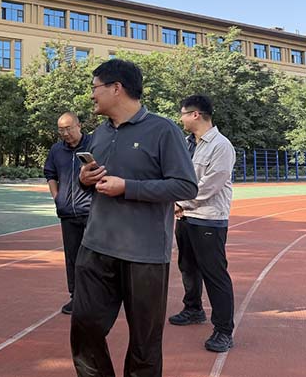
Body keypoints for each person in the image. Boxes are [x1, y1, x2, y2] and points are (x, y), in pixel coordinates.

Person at [73, 59, 198, 377]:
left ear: (116, 88)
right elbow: (91, 181)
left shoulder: (163, 130)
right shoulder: (99, 134)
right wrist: (84, 179)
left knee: (144, 344)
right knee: (85, 330)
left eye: (94, 87)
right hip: (96, 246)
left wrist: (128, 187)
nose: (91, 95)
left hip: (145, 255)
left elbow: (185, 185)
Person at [170, 95, 237, 353]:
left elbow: (210, 185)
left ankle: (223, 330)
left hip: (209, 218)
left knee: (214, 274)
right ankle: (193, 309)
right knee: (187, 267)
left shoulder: (221, 146)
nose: (181, 118)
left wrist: (180, 203)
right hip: (186, 217)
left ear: (195, 114)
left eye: (183, 113)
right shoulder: (188, 144)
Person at [43, 112, 93, 315]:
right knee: (73, 258)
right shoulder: (56, 150)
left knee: (94, 258)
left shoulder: (94, 145)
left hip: (91, 212)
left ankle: (97, 297)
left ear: (79, 126)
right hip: (68, 213)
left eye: (68, 128)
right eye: (61, 130)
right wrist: (57, 197)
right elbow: (50, 174)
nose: (65, 133)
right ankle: (76, 297)